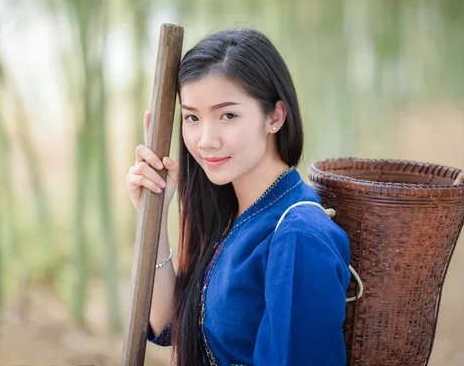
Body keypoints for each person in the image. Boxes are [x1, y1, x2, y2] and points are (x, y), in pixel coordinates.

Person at [126, 28, 351, 366]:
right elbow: (169, 324)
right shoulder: (233, 213)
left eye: (227, 115)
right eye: (192, 117)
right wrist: (154, 214)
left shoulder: (297, 235)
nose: (206, 140)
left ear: (274, 117)